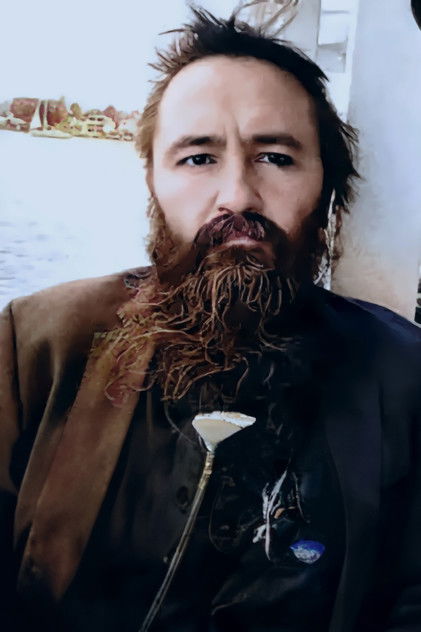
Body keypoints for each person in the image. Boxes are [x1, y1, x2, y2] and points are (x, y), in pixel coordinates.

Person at [1, 8, 420, 632]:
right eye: (198, 158)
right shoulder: (37, 345)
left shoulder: (404, 375)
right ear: (152, 181)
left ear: (328, 187)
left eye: (275, 157)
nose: (237, 196)